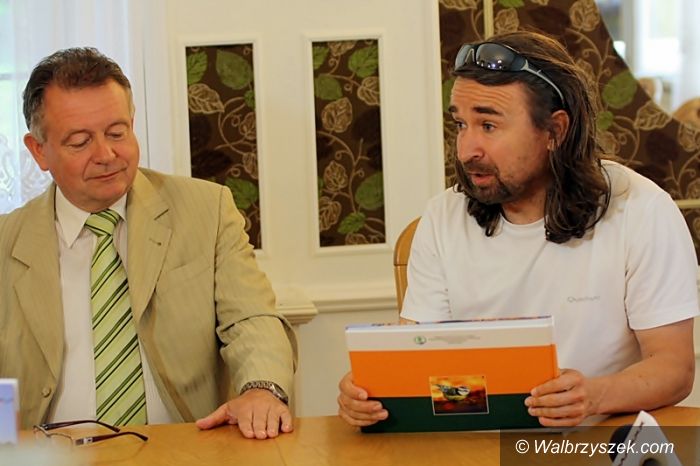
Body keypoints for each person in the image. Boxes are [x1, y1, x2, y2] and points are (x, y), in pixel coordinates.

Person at [338, 30, 698, 428]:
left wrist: (595, 395)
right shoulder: (443, 217)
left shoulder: (641, 209)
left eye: (488, 126)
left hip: (599, 441)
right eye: (461, 124)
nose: (466, 149)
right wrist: (374, 393)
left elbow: (674, 368)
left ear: (555, 131)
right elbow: (421, 364)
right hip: (477, 446)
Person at [0, 47, 297, 439]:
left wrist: (261, 388)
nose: (106, 154)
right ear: (39, 150)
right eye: (80, 142)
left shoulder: (206, 210)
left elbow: (251, 317)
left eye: (117, 133)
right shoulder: (7, 241)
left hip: (184, 449)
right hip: (49, 454)